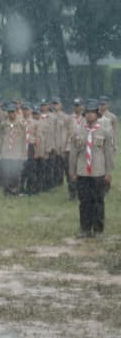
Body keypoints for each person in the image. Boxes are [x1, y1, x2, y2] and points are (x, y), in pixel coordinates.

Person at [68, 101, 112, 238]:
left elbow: (108, 154)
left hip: (98, 172)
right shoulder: (78, 132)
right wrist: (72, 171)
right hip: (83, 171)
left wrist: (109, 172)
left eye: (92, 112)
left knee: (98, 201)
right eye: (87, 112)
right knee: (84, 202)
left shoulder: (105, 132)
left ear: (97, 115)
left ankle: (98, 230)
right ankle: (85, 229)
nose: (89, 115)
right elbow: (73, 153)